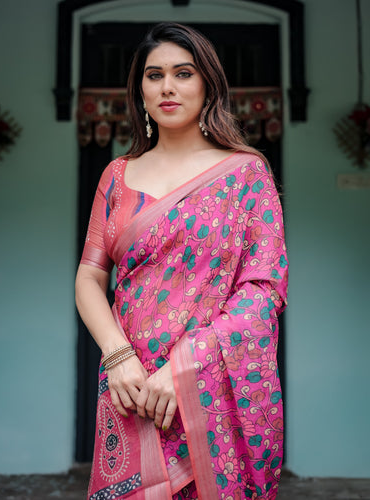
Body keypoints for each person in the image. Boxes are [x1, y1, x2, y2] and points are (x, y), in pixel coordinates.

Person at [75, 22, 288, 500]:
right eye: (154, 75)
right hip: (129, 386)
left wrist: (183, 369)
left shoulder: (246, 173)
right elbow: (90, 276)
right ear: (141, 91)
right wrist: (118, 356)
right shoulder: (116, 175)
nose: (167, 86)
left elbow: (263, 289)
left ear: (207, 84)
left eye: (183, 73)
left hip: (210, 386)